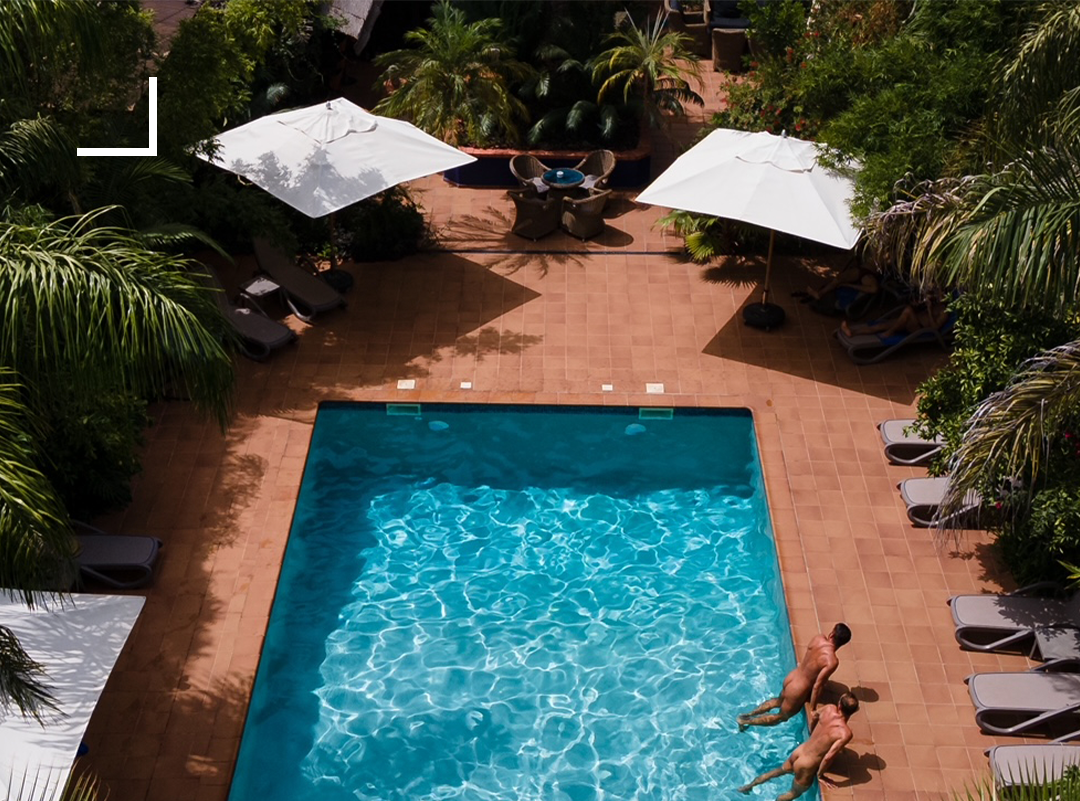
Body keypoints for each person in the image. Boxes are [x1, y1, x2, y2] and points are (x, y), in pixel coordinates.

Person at [737, 693, 859, 800]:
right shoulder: (845, 733)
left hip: (799, 751)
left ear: (839, 705)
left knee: (777, 771)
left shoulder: (829, 708)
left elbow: (814, 717)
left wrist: (813, 734)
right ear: (854, 711)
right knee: (793, 793)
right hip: (807, 765)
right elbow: (828, 757)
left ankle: (748, 786)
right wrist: (820, 775)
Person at [737, 623, 851, 729]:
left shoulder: (818, 638)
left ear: (832, 634)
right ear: (842, 644)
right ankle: (746, 722)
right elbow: (817, 685)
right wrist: (812, 708)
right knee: (781, 717)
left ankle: (749, 714)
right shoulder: (831, 661)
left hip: (792, 677)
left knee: (777, 701)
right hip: (798, 690)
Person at [839, 293, 949, 339]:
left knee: (908, 310)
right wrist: (921, 304)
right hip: (911, 321)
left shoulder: (944, 312)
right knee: (880, 325)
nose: (938, 296)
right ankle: (852, 332)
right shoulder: (934, 303)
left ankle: (890, 332)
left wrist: (929, 310)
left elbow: (934, 328)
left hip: (920, 328)